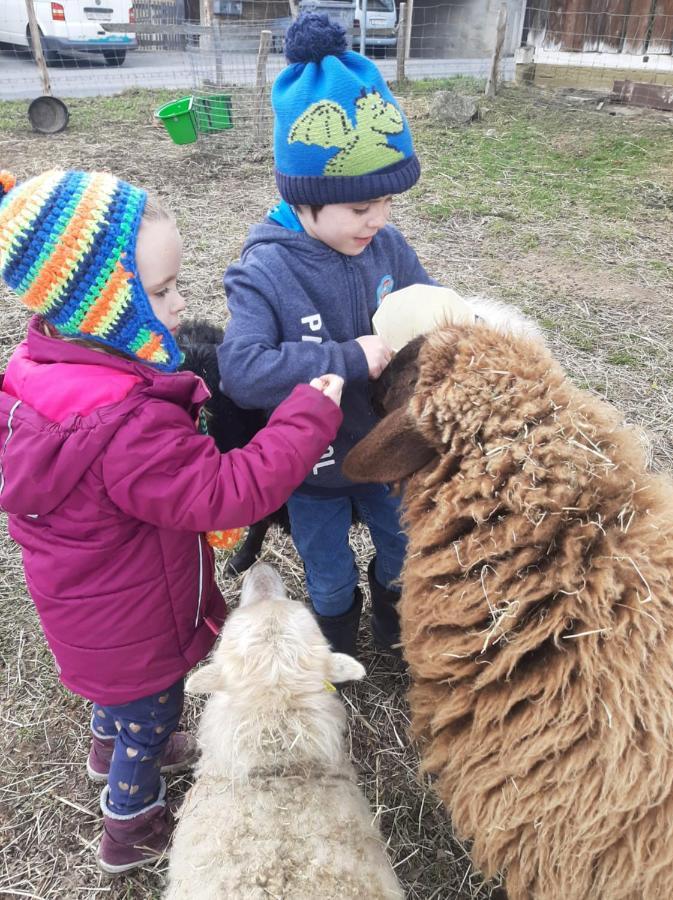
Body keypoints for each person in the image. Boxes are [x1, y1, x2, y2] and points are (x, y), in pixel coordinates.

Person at [0, 168, 344, 875]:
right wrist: (309, 413)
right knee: (150, 721)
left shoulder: (37, 367)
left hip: (84, 615)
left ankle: (107, 746)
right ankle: (131, 824)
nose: (182, 304)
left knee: (118, 703)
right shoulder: (126, 424)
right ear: (98, 308)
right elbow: (227, 492)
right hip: (136, 627)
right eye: (159, 292)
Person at [218, 13, 435, 658]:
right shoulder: (266, 268)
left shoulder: (387, 246)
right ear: (305, 200)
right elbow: (242, 369)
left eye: (387, 202)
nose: (379, 220)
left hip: (385, 450)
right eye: (360, 208)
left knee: (401, 547)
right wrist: (349, 356)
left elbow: (428, 305)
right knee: (326, 567)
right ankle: (337, 640)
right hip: (309, 469)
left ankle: (397, 632)